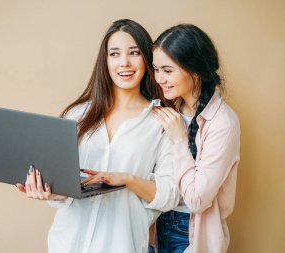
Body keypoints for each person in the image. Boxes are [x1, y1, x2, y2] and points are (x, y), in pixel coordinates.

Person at [16, 19, 180, 253]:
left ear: (146, 59)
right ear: (105, 61)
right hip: (66, 243)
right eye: (114, 54)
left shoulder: (160, 122)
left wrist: (128, 179)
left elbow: (169, 195)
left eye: (134, 53)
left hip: (120, 245)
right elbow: (63, 188)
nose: (124, 62)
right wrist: (49, 191)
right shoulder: (77, 114)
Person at [151, 24, 240, 253]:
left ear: (195, 71)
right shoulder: (170, 109)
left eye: (167, 71)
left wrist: (180, 140)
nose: (159, 78)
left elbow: (197, 200)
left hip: (191, 233)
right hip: (156, 222)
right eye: (156, 69)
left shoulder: (223, 123)